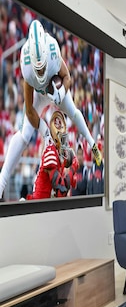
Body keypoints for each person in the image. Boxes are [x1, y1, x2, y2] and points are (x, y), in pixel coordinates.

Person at [0, 19, 101, 199]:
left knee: (74, 112)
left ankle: (93, 144)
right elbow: (30, 109)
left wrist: (61, 92)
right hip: (38, 95)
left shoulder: (53, 49)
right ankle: (2, 180)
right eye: (37, 70)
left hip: (55, 90)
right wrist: (45, 131)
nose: (40, 72)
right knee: (24, 135)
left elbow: (67, 77)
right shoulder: (26, 63)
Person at [30, 110, 77, 199]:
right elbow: (61, 190)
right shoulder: (50, 152)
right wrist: (73, 169)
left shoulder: (60, 154)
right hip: (40, 204)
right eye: (60, 134)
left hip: (49, 204)